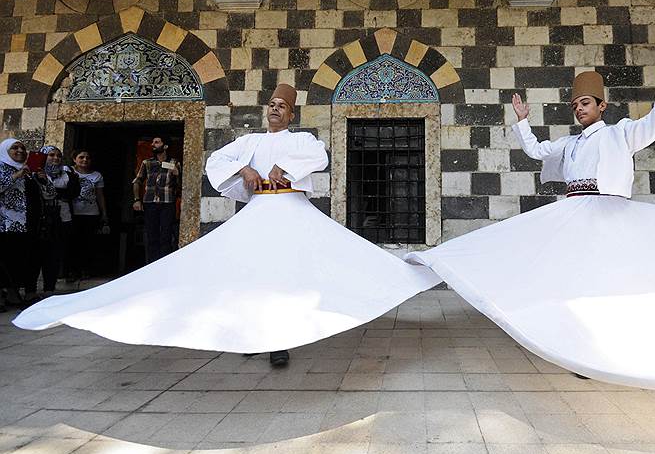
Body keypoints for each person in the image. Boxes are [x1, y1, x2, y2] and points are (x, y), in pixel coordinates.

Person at [406, 71, 655, 392]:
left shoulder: (620, 133)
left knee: (609, 283)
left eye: (585, 103)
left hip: (609, 215)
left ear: (602, 106)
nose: (579, 109)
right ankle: (570, 345)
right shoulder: (568, 144)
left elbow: (650, 125)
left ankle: (611, 349)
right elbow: (534, 151)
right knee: (564, 279)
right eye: (575, 104)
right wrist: (523, 122)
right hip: (573, 215)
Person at [13, 84, 440, 362]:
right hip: (259, 213)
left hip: (290, 209)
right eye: (271, 105)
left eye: (281, 107)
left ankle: (280, 340)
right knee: (251, 274)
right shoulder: (249, 141)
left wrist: (282, 170)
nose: (274, 111)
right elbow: (219, 160)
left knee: (288, 275)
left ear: (290, 115)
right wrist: (245, 173)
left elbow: (318, 157)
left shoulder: (300, 140)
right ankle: (251, 334)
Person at [0, 138, 55, 311]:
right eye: (14, 148)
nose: (20, 151)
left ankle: (13, 293)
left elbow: (50, 195)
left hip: (28, 223)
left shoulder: (31, 170)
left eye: (22, 148)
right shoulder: (2, 168)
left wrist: (43, 180)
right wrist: (16, 175)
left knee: (19, 259)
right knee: (3, 259)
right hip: (5, 223)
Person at [32, 146, 74, 296]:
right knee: (35, 256)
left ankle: (49, 289)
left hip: (62, 219)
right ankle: (30, 289)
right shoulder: (34, 173)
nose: (55, 158)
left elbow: (73, 193)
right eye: (51, 155)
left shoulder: (68, 174)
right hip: (39, 220)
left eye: (58, 156)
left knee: (54, 256)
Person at [132, 136, 181, 264]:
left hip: (167, 203)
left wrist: (177, 174)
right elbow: (137, 181)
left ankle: (164, 265)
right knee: (151, 235)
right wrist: (137, 199)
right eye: (152, 142)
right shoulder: (146, 162)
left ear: (165, 146)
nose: (153, 144)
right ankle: (151, 265)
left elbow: (180, 186)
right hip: (150, 203)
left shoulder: (174, 163)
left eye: (156, 142)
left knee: (166, 236)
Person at [68, 149, 107, 282]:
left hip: (91, 213)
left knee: (88, 243)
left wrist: (104, 213)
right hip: (73, 213)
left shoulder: (97, 175)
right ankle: (72, 271)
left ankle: (86, 270)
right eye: (81, 157)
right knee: (73, 243)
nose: (85, 160)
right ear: (74, 159)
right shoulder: (68, 172)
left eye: (88, 157)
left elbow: (100, 195)